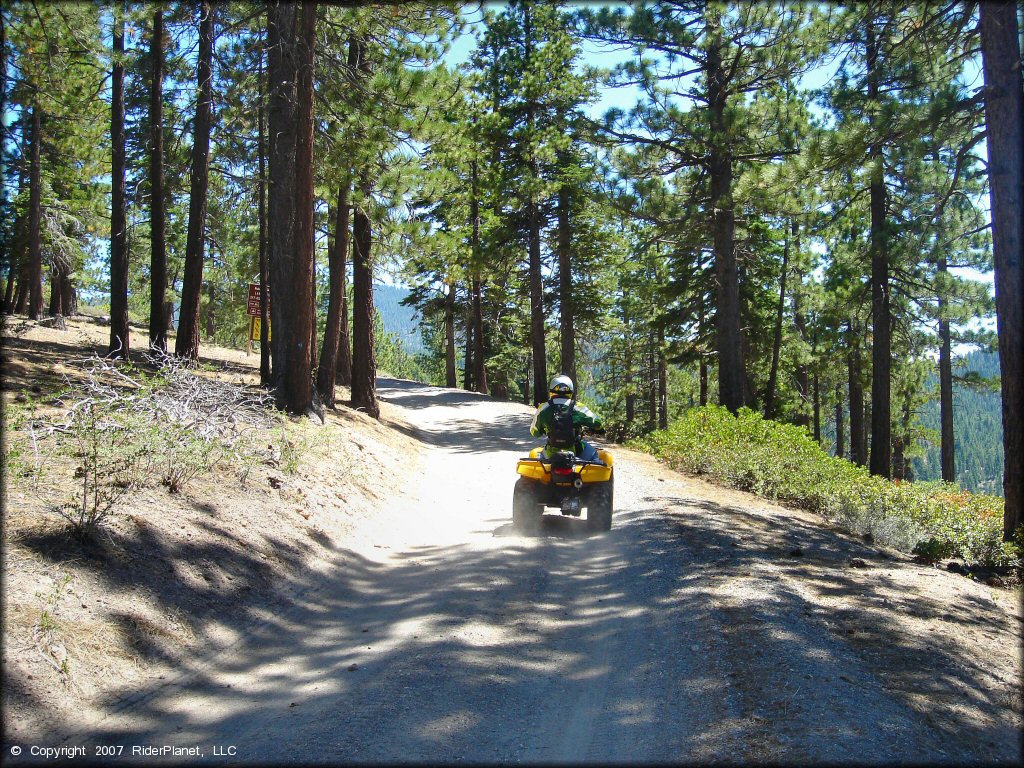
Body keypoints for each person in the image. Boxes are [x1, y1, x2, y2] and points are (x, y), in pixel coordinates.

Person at [530, 375, 604, 461]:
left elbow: (534, 432)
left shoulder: (543, 408)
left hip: (551, 453)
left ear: (551, 391)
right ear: (570, 391)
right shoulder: (577, 407)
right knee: (594, 453)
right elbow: (597, 422)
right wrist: (599, 428)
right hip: (576, 452)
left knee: (537, 459)